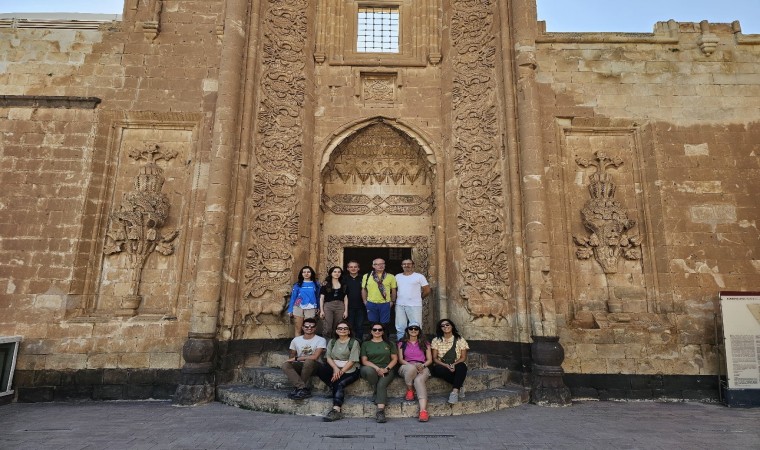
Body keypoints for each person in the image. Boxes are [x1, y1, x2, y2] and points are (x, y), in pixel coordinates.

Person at [317, 320, 361, 422]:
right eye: (340, 328)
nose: (343, 330)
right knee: (320, 369)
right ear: (336, 331)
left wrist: (341, 372)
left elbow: (352, 360)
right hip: (335, 366)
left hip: (350, 368)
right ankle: (333, 387)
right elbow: (328, 357)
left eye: (345, 328)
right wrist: (336, 369)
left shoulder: (353, 342)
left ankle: (336, 409)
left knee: (339, 383)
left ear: (349, 331)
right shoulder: (332, 342)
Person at [359, 322, 398, 423]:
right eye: (375, 330)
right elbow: (364, 361)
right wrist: (377, 368)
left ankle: (380, 411)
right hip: (370, 368)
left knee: (381, 385)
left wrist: (386, 369)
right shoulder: (365, 344)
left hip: (387, 368)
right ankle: (377, 390)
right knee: (368, 370)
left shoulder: (390, 344)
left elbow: (394, 359)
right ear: (371, 331)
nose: (377, 331)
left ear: (383, 331)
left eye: (380, 330)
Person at [280, 318, 326, 400]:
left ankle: (299, 388)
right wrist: (291, 364)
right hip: (301, 365)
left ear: (315, 328)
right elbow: (292, 355)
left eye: (312, 326)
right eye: (307, 326)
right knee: (285, 365)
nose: (309, 328)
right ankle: (302, 388)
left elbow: (315, 357)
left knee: (309, 361)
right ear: (302, 327)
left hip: (315, 366)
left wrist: (297, 358)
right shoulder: (296, 340)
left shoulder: (321, 340)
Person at [397, 321, 432, 422]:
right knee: (411, 369)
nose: (413, 330)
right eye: (411, 329)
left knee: (419, 381)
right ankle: (410, 389)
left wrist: (423, 365)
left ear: (419, 331)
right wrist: (413, 365)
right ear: (407, 331)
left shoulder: (425, 343)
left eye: (416, 328)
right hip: (406, 365)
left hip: (422, 366)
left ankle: (423, 411)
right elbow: (400, 359)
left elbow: (429, 359)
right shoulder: (401, 343)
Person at [430, 318, 469, 404]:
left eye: (447, 324)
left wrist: (453, 364)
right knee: (437, 370)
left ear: (452, 326)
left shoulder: (460, 339)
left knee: (462, 366)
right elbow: (435, 358)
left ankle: (454, 392)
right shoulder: (436, 340)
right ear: (440, 328)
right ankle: (459, 385)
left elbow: (463, 357)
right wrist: (446, 365)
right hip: (442, 365)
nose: (445, 327)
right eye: (442, 326)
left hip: (456, 363)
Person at [394, 259, 431, 340]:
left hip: (415, 305)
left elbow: (427, 290)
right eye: (404, 264)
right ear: (401, 266)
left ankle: (417, 346)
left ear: (413, 265)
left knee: (415, 326)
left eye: (409, 264)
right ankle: (401, 346)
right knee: (400, 327)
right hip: (400, 305)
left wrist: (419, 298)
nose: (406, 265)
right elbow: (394, 290)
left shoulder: (419, 276)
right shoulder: (397, 276)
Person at [361, 258, 397, 333]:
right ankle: (373, 341)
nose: (380, 266)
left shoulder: (391, 276)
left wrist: (392, 301)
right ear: (373, 266)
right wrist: (365, 301)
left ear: (385, 265)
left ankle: (385, 341)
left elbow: (393, 290)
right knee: (373, 324)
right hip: (371, 303)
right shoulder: (367, 276)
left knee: (385, 325)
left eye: (382, 264)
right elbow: (364, 289)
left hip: (385, 304)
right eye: (377, 264)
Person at [286, 266, 319, 337]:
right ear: (301, 274)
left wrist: (318, 307)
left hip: (311, 307)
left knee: (309, 328)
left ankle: (308, 346)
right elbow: (293, 298)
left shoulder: (316, 284)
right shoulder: (297, 285)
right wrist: (290, 310)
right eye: (304, 272)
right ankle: (298, 346)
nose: (306, 274)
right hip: (298, 307)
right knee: (298, 328)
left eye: (308, 272)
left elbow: (318, 297)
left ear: (311, 273)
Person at [319, 266, 348, 339]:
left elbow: (346, 298)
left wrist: (346, 311)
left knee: (338, 326)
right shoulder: (325, 284)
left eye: (339, 272)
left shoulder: (344, 284)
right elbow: (321, 298)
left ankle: (335, 344)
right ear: (331, 273)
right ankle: (326, 344)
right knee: (328, 327)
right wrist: (321, 311)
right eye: (335, 272)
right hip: (328, 306)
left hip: (340, 306)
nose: (337, 273)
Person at [343, 260, 366, 342]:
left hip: (361, 307)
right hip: (348, 307)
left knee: (360, 326)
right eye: (351, 267)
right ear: (347, 268)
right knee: (349, 326)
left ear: (358, 268)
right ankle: (350, 343)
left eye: (355, 267)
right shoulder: (343, 279)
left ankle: (359, 344)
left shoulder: (363, 278)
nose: (353, 268)